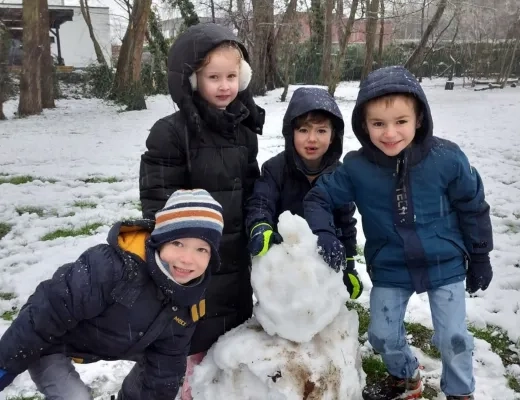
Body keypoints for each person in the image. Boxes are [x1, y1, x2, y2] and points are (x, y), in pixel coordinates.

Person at [303, 66, 493, 400]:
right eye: (378, 124)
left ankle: (460, 391)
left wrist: (479, 256)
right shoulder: (358, 168)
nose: (390, 133)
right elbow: (319, 196)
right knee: (381, 335)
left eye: (400, 122)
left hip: (443, 262)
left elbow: (473, 205)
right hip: (391, 265)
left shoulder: (446, 159)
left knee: (454, 338)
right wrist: (325, 233)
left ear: (419, 118)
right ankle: (406, 377)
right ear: (364, 125)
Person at [138, 23, 264, 399]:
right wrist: (175, 252)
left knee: (230, 334)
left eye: (231, 76)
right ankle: (187, 388)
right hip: (192, 257)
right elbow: (158, 200)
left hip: (235, 253)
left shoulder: (242, 130)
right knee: (191, 332)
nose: (225, 86)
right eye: (213, 77)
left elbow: (251, 184)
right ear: (191, 80)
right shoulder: (172, 133)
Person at [0, 189, 224, 400]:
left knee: (159, 365)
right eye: (177, 243)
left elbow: (165, 366)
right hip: (53, 341)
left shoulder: (187, 300)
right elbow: (46, 312)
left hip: (117, 341)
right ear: (159, 240)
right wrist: (5, 364)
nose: (187, 259)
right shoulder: (112, 269)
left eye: (201, 249)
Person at [245, 87, 362, 299]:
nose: (312, 139)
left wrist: (349, 263)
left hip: (323, 254)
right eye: (303, 130)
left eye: (321, 130)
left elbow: (346, 221)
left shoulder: (340, 174)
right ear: (291, 132)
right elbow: (261, 201)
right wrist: (260, 225)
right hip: (284, 252)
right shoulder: (275, 168)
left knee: (320, 307)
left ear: (333, 135)